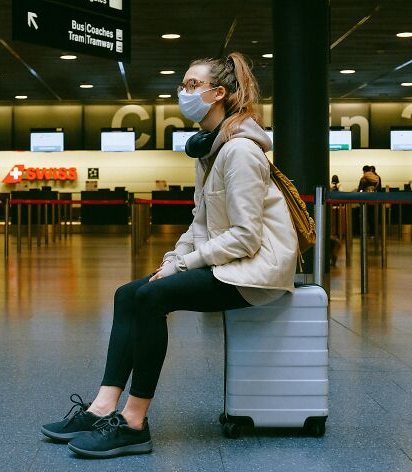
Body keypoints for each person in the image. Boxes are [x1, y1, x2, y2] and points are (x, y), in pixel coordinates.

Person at [41, 52, 298, 459]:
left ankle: (133, 422)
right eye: (183, 84)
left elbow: (247, 237)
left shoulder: (241, 152)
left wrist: (186, 265)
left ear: (219, 94)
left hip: (255, 273)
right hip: (228, 263)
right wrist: (172, 259)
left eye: (192, 85)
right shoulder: (211, 151)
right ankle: (102, 407)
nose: (184, 92)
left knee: (151, 297)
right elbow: (201, 222)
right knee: (129, 293)